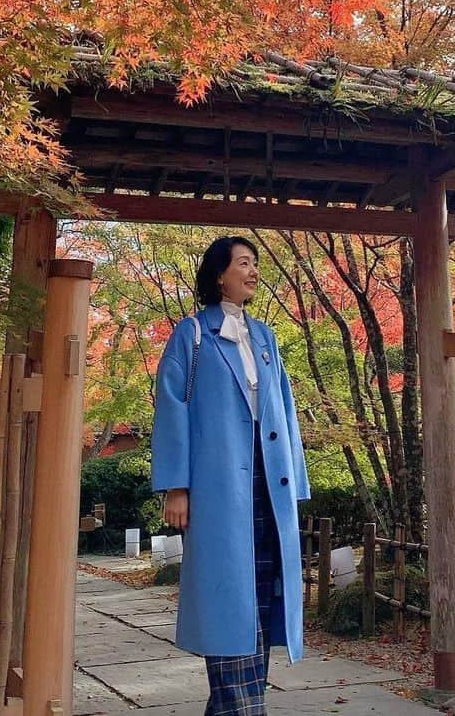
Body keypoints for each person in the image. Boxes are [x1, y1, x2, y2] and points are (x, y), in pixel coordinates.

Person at [151, 236, 310, 716]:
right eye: (244, 263)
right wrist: (176, 486)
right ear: (220, 274)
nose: (254, 271)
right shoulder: (192, 334)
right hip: (220, 489)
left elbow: (283, 407)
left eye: (256, 263)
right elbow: (171, 408)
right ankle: (242, 709)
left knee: (261, 596)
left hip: (268, 483)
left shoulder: (264, 336)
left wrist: (295, 480)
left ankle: (242, 705)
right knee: (229, 601)